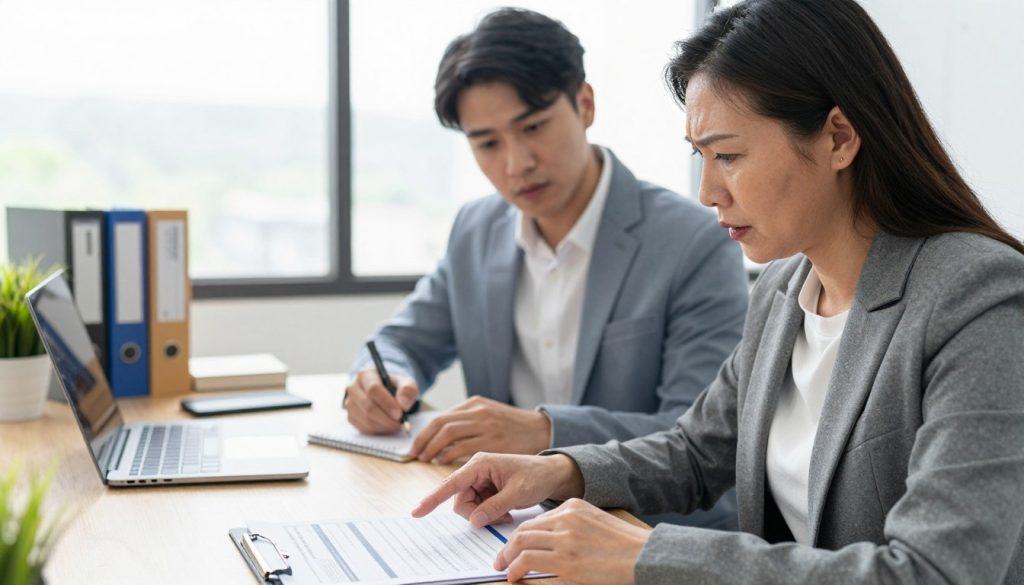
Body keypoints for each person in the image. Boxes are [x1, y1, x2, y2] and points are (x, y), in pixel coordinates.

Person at [411, 0, 1024, 582]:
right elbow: (696, 451)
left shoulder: (976, 298)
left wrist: (650, 554)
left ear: (838, 138)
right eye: (700, 156)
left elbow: (937, 572)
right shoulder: (786, 288)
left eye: (728, 155)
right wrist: (557, 471)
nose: (708, 192)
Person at [344, 8, 749, 529]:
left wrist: (543, 431)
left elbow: (696, 439)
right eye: (487, 143)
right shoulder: (476, 230)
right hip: (502, 526)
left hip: (640, 532)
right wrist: (377, 381)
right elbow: (399, 342)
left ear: (584, 104)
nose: (516, 163)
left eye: (532, 127)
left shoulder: (693, 241)